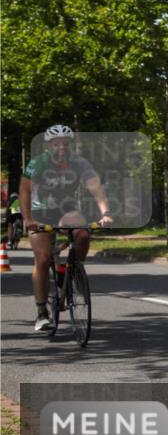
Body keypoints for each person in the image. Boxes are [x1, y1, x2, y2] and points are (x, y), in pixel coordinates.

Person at [21, 125, 114, 331]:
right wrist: (27, 219)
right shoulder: (37, 163)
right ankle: (41, 313)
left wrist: (105, 213)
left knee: (82, 233)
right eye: (57, 144)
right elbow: (25, 192)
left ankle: (71, 271)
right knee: (43, 258)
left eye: (66, 143)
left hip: (65, 208)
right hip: (40, 211)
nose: (62, 147)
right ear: (48, 145)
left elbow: (96, 188)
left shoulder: (79, 162)